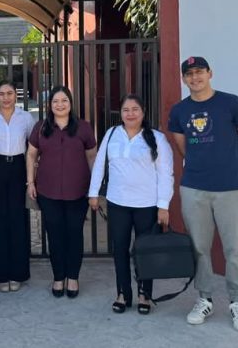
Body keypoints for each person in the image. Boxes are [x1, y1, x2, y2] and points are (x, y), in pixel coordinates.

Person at [168, 56, 238, 332]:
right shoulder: (179, 111)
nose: (194, 78)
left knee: (233, 248)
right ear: (183, 79)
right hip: (195, 187)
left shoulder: (232, 103)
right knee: (200, 248)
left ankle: (237, 302)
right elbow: (183, 147)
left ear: (210, 73)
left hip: (230, 187)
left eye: (199, 72)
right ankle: (204, 298)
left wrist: (231, 165)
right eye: (189, 74)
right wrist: (202, 166)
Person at [88, 94, 174, 315]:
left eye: (135, 109)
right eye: (126, 110)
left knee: (145, 251)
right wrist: (93, 193)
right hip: (118, 203)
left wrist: (163, 205)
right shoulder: (112, 134)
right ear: (121, 113)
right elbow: (99, 164)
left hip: (147, 204)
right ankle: (122, 294)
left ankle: (144, 294)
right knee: (120, 251)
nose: (130, 114)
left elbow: (166, 174)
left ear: (143, 112)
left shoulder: (156, 138)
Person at [27, 85, 97, 298]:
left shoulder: (84, 128)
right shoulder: (41, 127)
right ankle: (58, 277)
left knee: (74, 234)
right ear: (50, 105)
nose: (60, 104)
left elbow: (92, 156)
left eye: (64, 100)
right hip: (48, 192)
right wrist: (30, 182)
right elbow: (31, 155)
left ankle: (73, 277)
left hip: (78, 192)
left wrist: (95, 188)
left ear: (70, 104)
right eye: (55, 101)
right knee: (55, 235)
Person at [0, 80, 35, 292]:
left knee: (18, 219)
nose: (6, 97)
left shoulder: (26, 117)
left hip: (19, 167)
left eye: (9, 93)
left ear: (16, 95)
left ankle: (18, 273)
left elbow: (33, 148)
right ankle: (0, 274)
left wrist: (32, 178)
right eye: (1, 94)